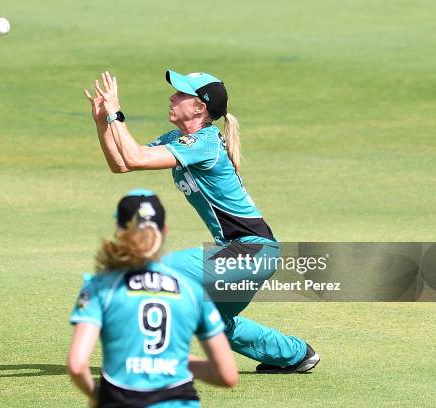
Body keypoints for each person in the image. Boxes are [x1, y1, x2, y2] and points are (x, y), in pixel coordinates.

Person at [84, 70, 320, 373]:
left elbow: (137, 157)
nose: (172, 97)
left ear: (200, 107)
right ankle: (297, 355)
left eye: (181, 94)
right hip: (246, 253)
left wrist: (116, 113)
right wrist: (102, 122)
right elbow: (122, 163)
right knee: (212, 323)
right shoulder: (179, 139)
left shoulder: (204, 143)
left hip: (250, 252)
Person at [67, 190, 238, 408]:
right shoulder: (191, 290)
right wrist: (174, 362)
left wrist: (96, 395)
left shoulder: (101, 287)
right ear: (165, 231)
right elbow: (227, 375)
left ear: (119, 231)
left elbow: (77, 365)